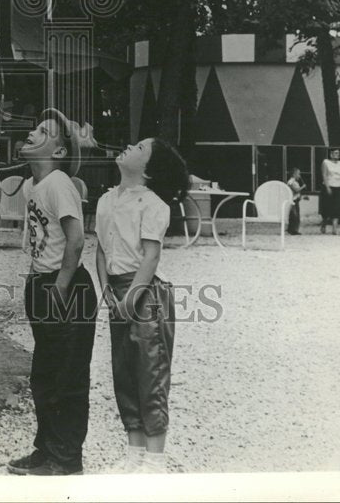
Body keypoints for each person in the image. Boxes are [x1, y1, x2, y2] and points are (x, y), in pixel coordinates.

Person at [7, 108, 98, 476]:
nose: (32, 132)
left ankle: (67, 458)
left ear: (58, 153)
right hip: (42, 283)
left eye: (43, 131)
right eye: (35, 127)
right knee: (44, 373)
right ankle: (46, 450)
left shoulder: (60, 184)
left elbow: (76, 240)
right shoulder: (35, 185)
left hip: (66, 286)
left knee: (67, 375)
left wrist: (59, 286)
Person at [95, 137, 189, 474]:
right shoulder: (107, 200)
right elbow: (103, 250)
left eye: (138, 148)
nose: (128, 147)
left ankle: (155, 460)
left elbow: (151, 255)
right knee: (124, 371)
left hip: (145, 293)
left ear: (149, 170)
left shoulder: (153, 205)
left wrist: (131, 297)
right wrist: (106, 290)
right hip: (117, 293)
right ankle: (134, 454)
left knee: (151, 372)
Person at [320, 148, 340, 235]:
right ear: (331, 154)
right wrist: (327, 187)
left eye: (338, 153)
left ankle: (334, 229)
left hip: (338, 187)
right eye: (335, 153)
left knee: (337, 208)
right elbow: (324, 175)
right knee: (327, 208)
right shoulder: (325, 162)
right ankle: (324, 224)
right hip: (328, 186)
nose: (337, 155)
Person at [286, 167, 306, 235]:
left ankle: (293, 229)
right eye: (298, 174)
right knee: (294, 215)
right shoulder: (291, 182)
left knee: (296, 215)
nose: (299, 176)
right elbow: (296, 190)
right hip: (293, 201)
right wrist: (303, 187)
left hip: (296, 200)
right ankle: (293, 230)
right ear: (294, 174)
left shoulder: (295, 182)